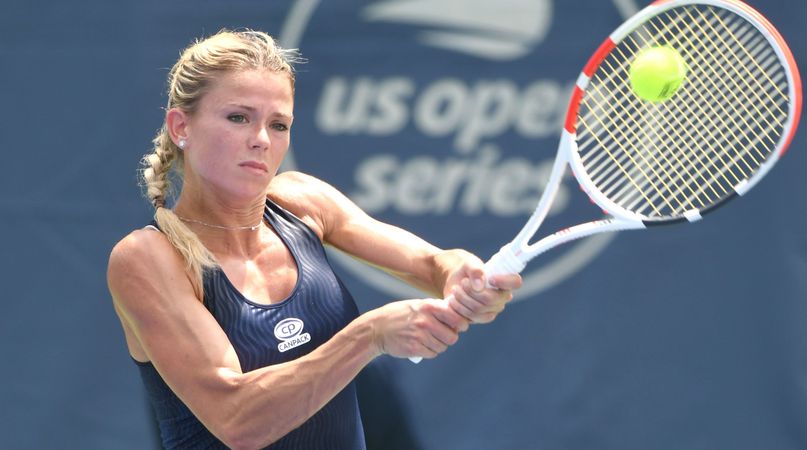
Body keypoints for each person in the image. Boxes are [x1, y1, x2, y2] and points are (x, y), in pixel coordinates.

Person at [107, 29, 521, 450]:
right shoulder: (146, 259)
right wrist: (369, 336)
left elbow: (432, 264)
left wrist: (461, 277)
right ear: (181, 126)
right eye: (238, 118)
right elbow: (237, 419)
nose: (261, 139)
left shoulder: (303, 200)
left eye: (278, 124)